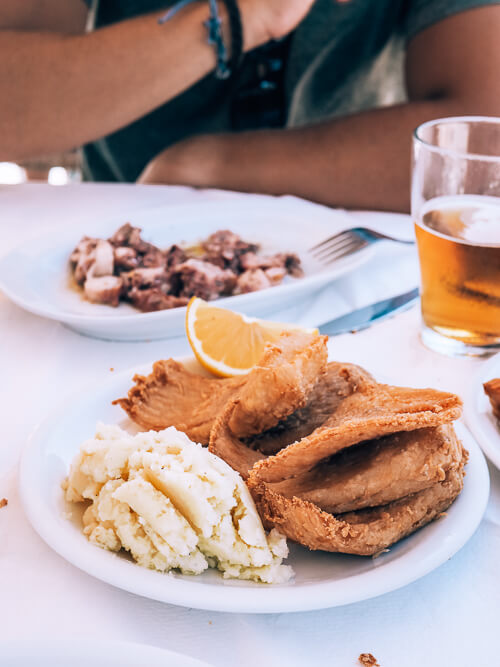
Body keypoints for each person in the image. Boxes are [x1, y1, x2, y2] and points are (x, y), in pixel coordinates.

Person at [2, 1, 499, 212]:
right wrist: (243, 16)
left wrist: (210, 164)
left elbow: (484, 134)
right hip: (112, 252)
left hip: (339, 249)